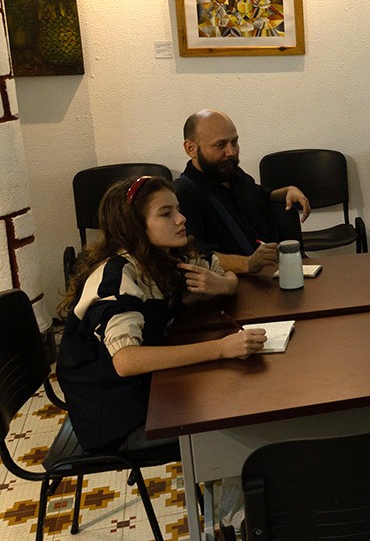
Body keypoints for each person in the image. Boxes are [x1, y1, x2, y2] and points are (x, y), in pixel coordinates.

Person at [56, 176, 266, 453]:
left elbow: (224, 272)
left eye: (177, 209)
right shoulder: (117, 276)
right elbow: (126, 361)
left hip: (152, 389)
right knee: (238, 424)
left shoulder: (167, 254)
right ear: (135, 225)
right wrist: (220, 348)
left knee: (236, 397)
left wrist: (223, 284)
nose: (181, 219)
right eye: (166, 213)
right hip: (119, 417)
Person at [174, 109, 311, 274]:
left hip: (272, 271)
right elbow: (194, 256)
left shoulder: (232, 173)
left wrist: (288, 190)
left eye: (234, 142)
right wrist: (248, 263)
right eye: (220, 145)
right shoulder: (184, 193)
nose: (231, 152)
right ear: (191, 149)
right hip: (235, 282)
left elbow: (262, 194)